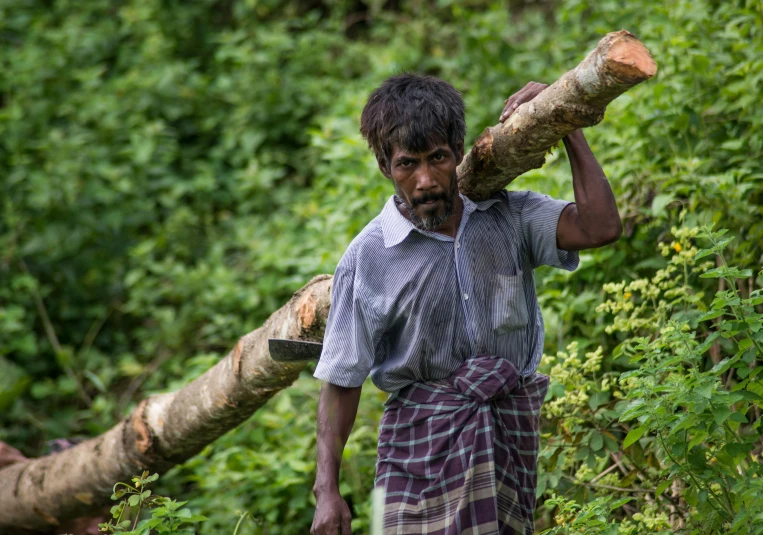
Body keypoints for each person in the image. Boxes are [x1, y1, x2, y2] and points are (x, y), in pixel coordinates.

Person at [310, 74, 621, 535]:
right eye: (406, 165)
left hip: (505, 443)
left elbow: (600, 227)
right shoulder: (370, 256)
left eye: (437, 159)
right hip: (417, 456)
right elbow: (342, 380)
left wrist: (567, 124)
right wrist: (328, 491)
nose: (425, 180)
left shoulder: (510, 217)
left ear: (458, 150)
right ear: (383, 167)